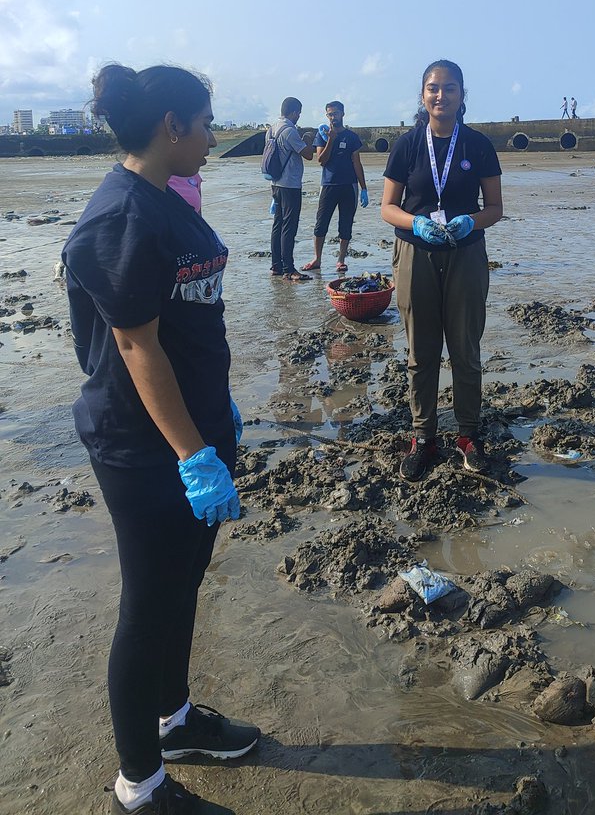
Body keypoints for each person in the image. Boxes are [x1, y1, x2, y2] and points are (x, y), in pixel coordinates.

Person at [61, 64, 258, 815]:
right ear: (172, 125)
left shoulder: (165, 197)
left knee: (182, 587)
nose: (213, 137)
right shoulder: (120, 219)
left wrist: (219, 413)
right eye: (205, 123)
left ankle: (175, 723)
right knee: (148, 603)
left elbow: (188, 320)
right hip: (148, 449)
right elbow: (138, 348)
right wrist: (193, 455)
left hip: (196, 429)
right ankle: (138, 788)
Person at [382, 59, 503, 481]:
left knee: (466, 347)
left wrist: (471, 220)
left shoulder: (478, 145)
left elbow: (495, 209)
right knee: (421, 351)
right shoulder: (407, 146)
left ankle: (468, 435)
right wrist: (414, 222)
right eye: (433, 88)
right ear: (422, 95)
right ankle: (424, 436)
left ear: (461, 96)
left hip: (466, 253)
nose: (440, 95)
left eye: (449, 88)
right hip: (415, 252)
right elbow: (387, 207)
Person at [302, 101, 368, 273]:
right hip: (329, 184)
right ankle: (317, 258)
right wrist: (330, 140)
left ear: (342, 114)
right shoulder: (322, 135)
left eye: (336, 113)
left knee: (346, 224)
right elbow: (321, 160)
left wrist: (364, 188)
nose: (333, 117)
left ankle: (341, 260)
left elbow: (357, 163)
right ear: (327, 116)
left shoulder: (352, 137)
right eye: (330, 114)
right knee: (321, 222)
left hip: (349, 185)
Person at [267, 97, 314, 281]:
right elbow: (308, 154)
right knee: (289, 226)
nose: (299, 117)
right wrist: (308, 139)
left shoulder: (271, 129)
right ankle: (289, 269)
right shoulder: (289, 132)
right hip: (290, 184)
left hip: (275, 183)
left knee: (278, 224)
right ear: (294, 112)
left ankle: (276, 265)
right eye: (299, 113)